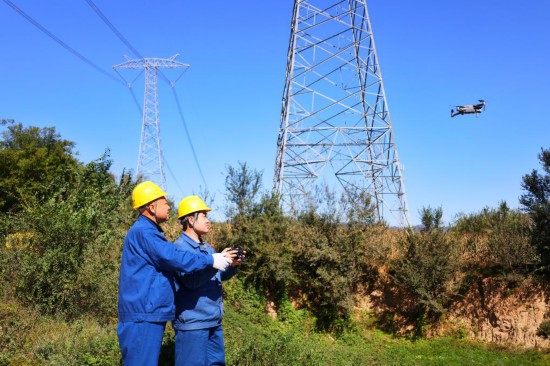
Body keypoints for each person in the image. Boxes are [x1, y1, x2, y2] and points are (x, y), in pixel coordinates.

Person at [117, 182, 234, 366]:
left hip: (148, 312)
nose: (169, 205)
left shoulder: (149, 232)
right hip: (143, 314)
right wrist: (211, 261)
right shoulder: (144, 232)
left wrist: (226, 264)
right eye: (164, 202)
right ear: (151, 206)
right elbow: (173, 257)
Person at [173, 195, 245, 366]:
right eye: (204, 216)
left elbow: (217, 276)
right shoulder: (180, 248)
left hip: (213, 320)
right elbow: (190, 281)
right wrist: (216, 261)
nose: (208, 221)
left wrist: (231, 265)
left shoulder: (207, 248)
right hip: (193, 324)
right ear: (191, 219)